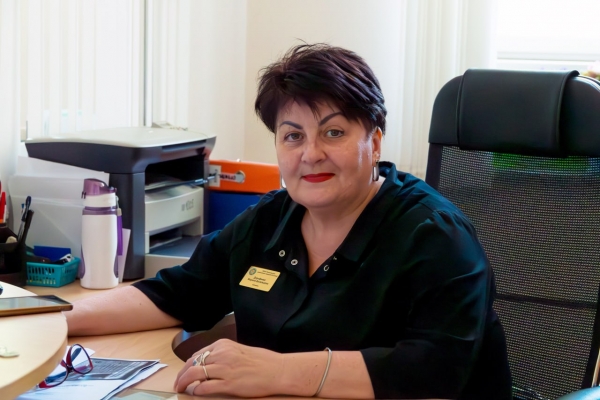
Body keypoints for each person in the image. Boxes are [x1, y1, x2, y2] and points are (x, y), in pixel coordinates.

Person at [66, 43, 512, 399]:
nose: (311, 153)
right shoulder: (272, 218)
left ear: (375, 142)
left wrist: (278, 371)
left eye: (334, 132)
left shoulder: (435, 235)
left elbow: (435, 373)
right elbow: (179, 293)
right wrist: (57, 319)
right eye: (293, 135)